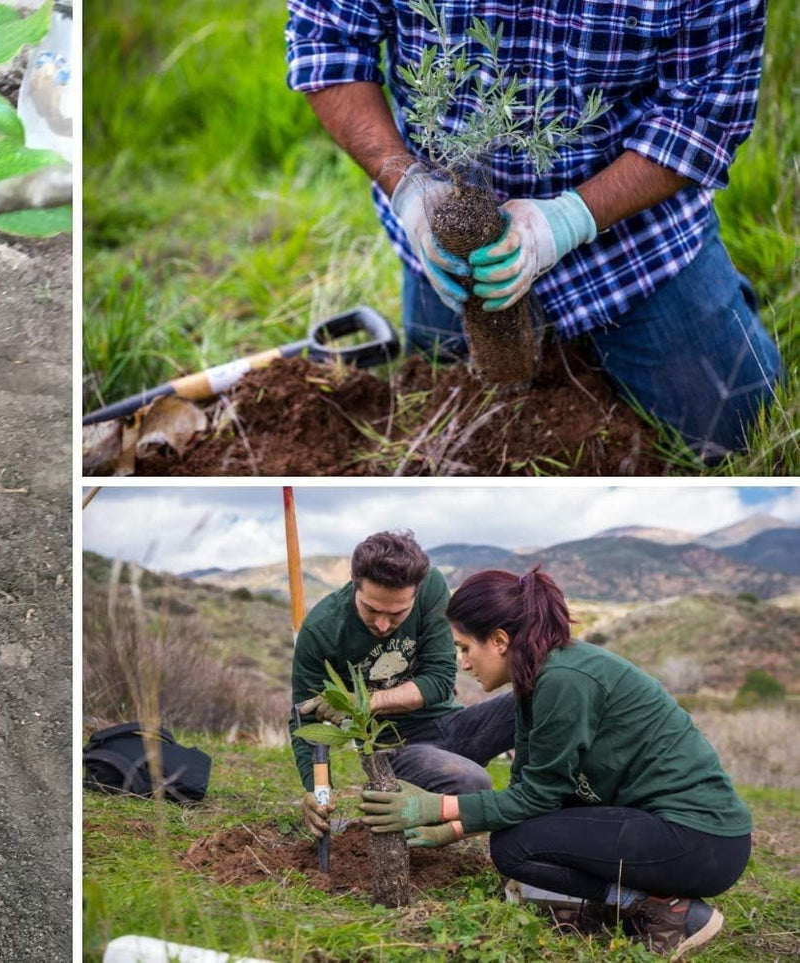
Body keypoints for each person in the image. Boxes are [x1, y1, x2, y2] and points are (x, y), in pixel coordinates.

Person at [285, 0, 782, 459]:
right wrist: (410, 191)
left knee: (732, 430)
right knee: (442, 391)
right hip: (449, 237)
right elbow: (327, 43)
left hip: (633, 242)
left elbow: (706, 115)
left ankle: (708, 298)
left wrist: (568, 220)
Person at [359, 567, 751, 960]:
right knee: (519, 840)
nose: (463, 663)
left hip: (702, 840)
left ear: (498, 641)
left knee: (515, 848)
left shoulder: (564, 679)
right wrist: (456, 828)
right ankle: (623, 903)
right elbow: (530, 792)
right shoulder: (537, 679)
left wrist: (435, 806)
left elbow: (539, 797)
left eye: (464, 648)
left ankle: (666, 908)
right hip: (666, 830)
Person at [289, 530, 515, 843]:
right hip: (394, 745)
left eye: (397, 613)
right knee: (472, 782)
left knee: (530, 701)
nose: (382, 625)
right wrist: (316, 791)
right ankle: (397, 797)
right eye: (371, 609)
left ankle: (532, 815)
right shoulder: (323, 629)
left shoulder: (431, 587)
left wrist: (365, 702)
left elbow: (438, 682)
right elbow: (304, 717)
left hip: (451, 721)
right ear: (354, 580)